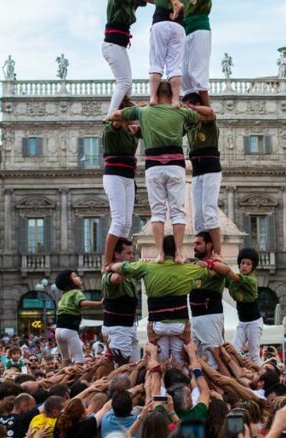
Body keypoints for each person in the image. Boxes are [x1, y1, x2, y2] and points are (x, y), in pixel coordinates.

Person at [110, 82, 212, 261]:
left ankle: (160, 254)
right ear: (172, 93)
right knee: (177, 212)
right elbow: (209, 114)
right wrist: (186, 105)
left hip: (154, 166)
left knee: (157, 212)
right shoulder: (180, 111)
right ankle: (179, 253)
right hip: (175, 165)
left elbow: (114, 115)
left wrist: (141, 108)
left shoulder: (144, 112)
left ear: (154, 94)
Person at [108, 235, 216, 364]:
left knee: (159, 363)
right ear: (177, 250)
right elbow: (211, 272)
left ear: (161, 250)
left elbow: (122, 267)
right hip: (179, 325)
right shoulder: (187, 269)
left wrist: (109, 266)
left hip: (158, 325)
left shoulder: (148, 267)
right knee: (180, 364)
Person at [120, 0, 193, 106]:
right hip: (178, 24)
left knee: (156, 63)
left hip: (159, 23)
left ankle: (153, 98)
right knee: (175, 66)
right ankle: (176, 99)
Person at [103, 0, 151, 118]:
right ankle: (111, 115)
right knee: (123, 83)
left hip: (119, 46)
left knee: (128, 86)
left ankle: (122, 110)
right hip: (112, 45)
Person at [182, 92, 221, 254]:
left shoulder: (208, 124)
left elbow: (211, 113)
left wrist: (193, 107)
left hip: (211, 170)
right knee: (198, 216)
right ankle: (202, 250)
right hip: (197, 172)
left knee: (209, 211)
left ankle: (218, 252)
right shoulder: (190, 126)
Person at [101, 105, 140, 268]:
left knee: (126, 223)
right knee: (117, 220)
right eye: (130, 114)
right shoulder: (112, 128)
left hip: (128, 177)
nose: (133, 117)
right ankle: (107, 261)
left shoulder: (130, 130)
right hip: (114, 175)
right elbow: (115, 119)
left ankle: (121, 256)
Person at [174, 0, 218, 107]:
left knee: (197, 71)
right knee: (184, 74)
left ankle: (208, 111)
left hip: (200, 28)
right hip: (184, 30)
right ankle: (191, 105)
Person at [98, 239, 140, 373]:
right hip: (118, 328)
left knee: (134, 368)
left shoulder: (130, 275)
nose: (132, 257)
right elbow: (116, 279)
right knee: (122, 369)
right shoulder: (108, 275)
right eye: (129, 253)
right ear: (117, 255)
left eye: (133, 253)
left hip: (128, 326)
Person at [189, 231, 228, 365]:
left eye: (199, 243)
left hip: (210, 317)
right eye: (194, 243)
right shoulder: (195, 265)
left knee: (213, 361)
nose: (195, 247)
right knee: (197, 360)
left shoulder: (216, 263)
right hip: (195, 318)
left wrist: (209, 264)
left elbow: (225, 270)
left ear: (209, 245)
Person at [54, 270, 104, 364]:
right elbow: (82, 303)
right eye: (75, 276)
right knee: (79, 360)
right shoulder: (76, 292)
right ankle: (76, 379)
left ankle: (62, 378)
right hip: (69, 330)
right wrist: (99, 303)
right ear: (69, 281)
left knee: (65, 358)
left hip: (58, 331)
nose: (79, 277)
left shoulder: (64, 295)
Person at [229, 248, 263, 363]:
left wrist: (223, 268)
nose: (244, 266)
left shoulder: (251, 280)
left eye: (248, 264)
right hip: (242, 322)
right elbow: (226, 280)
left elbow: (234, 277)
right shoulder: (236, 279)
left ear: (253, 267)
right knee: (233, 351)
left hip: (254, 322)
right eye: (242, 263)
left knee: (254, 355)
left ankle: (263, 378)